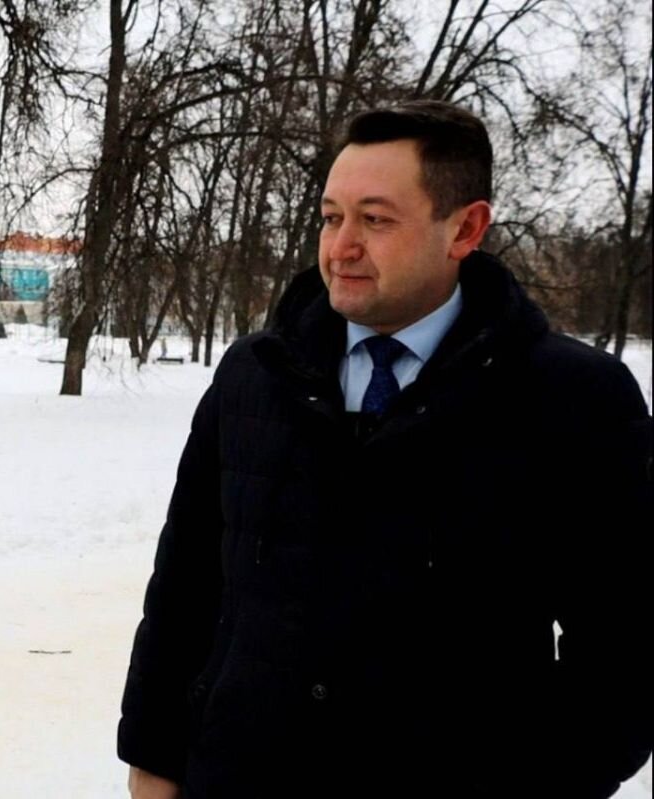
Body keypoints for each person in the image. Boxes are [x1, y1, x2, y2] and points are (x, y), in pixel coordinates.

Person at [118, 100, 653, 798]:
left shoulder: (575, 399)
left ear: (466, 227)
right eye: (331, 216)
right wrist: (154, 759)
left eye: (375, 219)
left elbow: (626, 650)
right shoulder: (256, 374)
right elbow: (186, 588)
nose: (341, 246)